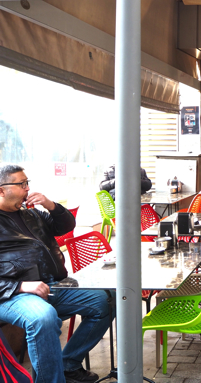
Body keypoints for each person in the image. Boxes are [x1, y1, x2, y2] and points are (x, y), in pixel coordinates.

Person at [0, 164, 113, 383]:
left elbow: (66, 226)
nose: (27, 188)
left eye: (27, 183)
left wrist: (51, 205)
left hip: (51, 286)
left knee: (107, 299)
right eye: (21, 184)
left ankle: (69, 365)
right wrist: (20, 286)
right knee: (43, 317)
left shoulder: (32, 214)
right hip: (12, 294)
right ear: (2, 190)